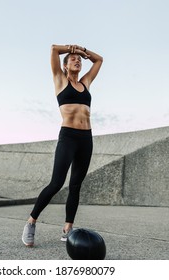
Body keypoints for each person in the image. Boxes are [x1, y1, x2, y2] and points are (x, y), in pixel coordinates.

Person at [22, 44, 103, 246]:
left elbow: (99, 60)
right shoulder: (60, 81)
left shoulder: (85, 83)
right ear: (65, 66)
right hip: (68, 137)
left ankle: (68, 228)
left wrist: (84, 51)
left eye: (79, 60)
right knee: (56, 183)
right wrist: (71, 48)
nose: (77, 60)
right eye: (73, 59)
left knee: (75, 185)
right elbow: (53, 50)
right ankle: (31, 221)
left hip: (86, 138)